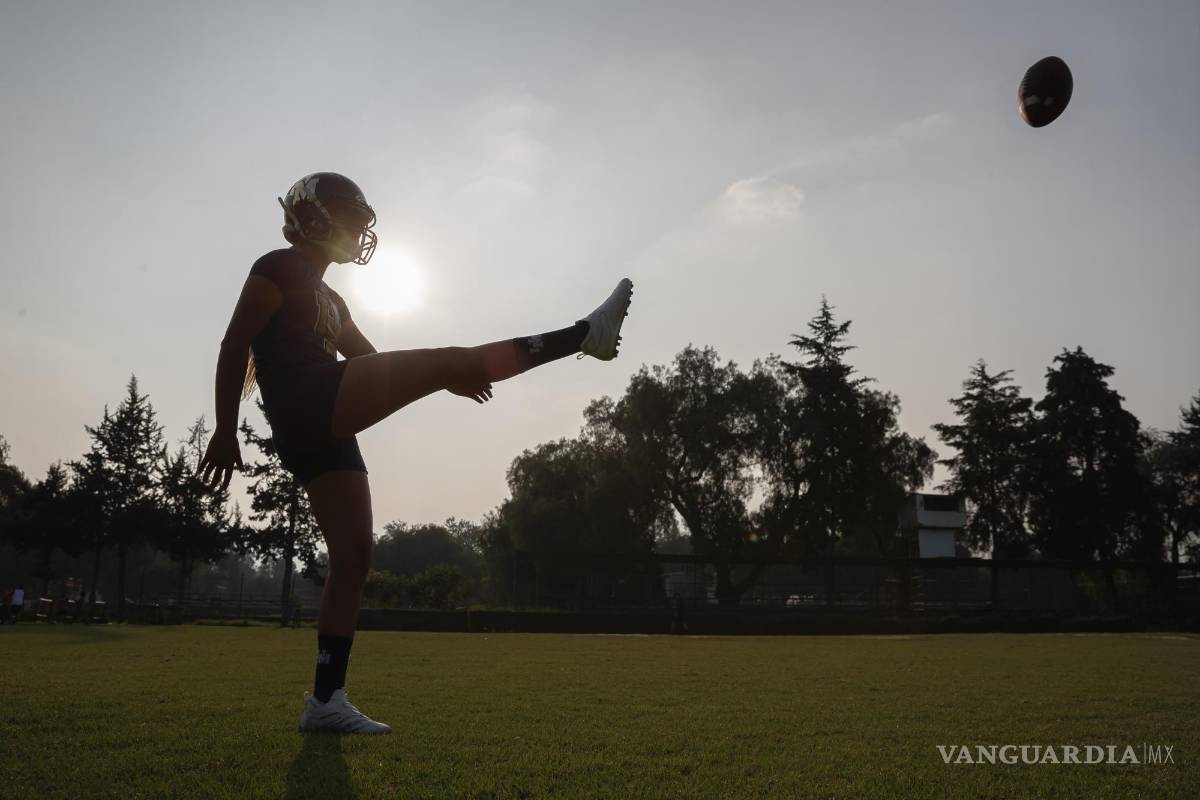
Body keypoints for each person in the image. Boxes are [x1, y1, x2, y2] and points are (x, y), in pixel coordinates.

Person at [199, 173, 633, 734]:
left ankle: (325, 700)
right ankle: (582, 337)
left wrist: (445, 377)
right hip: (306, 403)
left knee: (353, 560)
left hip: (323, 419)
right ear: (311, 218)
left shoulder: (331, 297)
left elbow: (371, 358)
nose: (358, 231)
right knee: (448, 356)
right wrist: (225, 428)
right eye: (348, 218)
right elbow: (236, 342)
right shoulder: (277, 267)